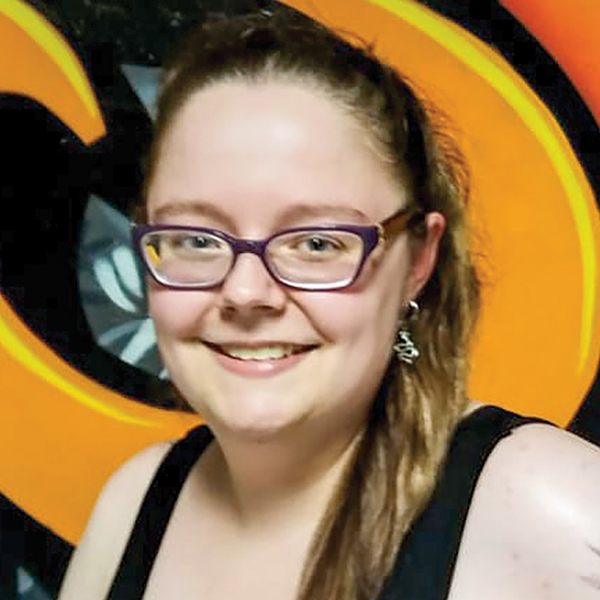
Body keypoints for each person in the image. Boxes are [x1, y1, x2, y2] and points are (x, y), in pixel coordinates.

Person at [58, 7, 600, 600]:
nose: (245, 293)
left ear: (419, 260)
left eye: (317, 243)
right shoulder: (136, 502)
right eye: (196, 240)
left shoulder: (554, 512)